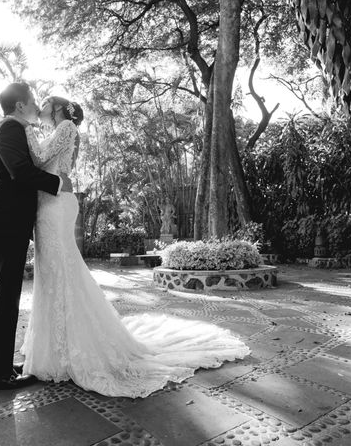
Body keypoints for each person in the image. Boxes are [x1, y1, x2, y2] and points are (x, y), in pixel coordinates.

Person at [20, 96, 250, 398]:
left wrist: (24, 128)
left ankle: (69, 347)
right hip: (48, 203)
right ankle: (53, 346)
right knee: (53, 271)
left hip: (56, 205)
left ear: (61, 108)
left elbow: (38, 159)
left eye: (47, 101)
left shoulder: (65, 128)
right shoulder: (58, 129)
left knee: (61, 268)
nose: (42, 104)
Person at [0, 83, 62, 390]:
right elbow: (20, 172)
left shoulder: (10, 129)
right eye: (33, 100)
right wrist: (58, 183)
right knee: (4, 295)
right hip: (6, 219)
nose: (37, 105)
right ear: (22, 104)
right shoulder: (11, 128)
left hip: (3, 220)